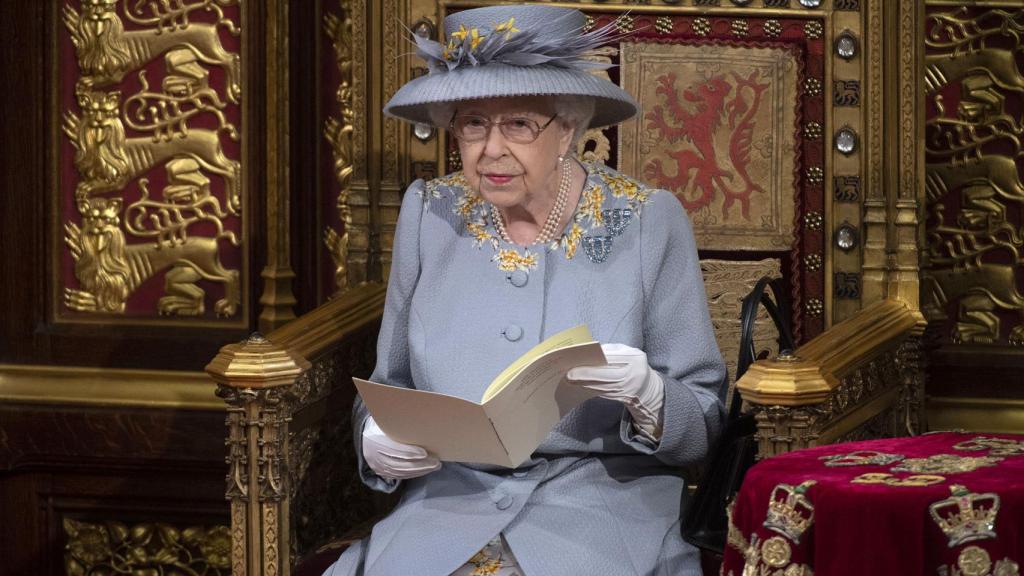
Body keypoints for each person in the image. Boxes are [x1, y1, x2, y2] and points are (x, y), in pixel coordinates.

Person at [325, 5, 727, 575]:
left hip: (600, 514)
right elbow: (388, 385)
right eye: (472, 124)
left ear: (567, 129)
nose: (490, 149)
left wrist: (650, 396)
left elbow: (705, 420)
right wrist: (374, 440)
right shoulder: (429, 213)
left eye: (518, 124)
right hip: (445, 511)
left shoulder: (647, 220)